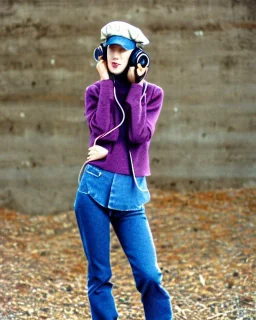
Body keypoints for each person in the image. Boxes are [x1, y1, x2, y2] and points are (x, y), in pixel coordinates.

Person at [73, 21, 173, 320]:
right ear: (102, 54)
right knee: (99, 276)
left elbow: (139, 135)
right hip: (93, 190)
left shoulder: (152, 94)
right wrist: (106, 82)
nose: (116, 56)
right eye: (110, 50)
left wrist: (136, 86)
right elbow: (105, 130)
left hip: (131, 196)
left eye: (123, 50)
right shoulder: (95, 91)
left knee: (150, 274)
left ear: (137, 57)